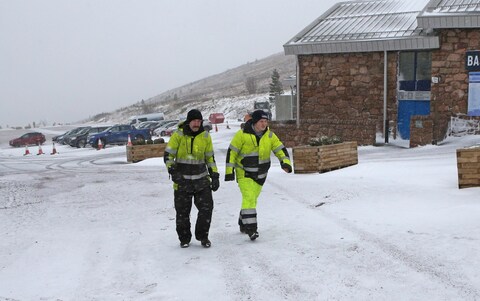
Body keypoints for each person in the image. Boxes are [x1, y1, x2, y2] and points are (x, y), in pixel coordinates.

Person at [225, 109, 292, 240]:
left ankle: (242, 222)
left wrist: (286, 163)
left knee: (251, 200)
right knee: (249, 198)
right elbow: (231, 153)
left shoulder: (270, 136)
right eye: (261, 121)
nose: (264, 124)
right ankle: (251, 229)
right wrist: (229, 172)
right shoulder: (242, 135)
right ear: (255, 122)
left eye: (266, 121)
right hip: (244, 173)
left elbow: (280, 149)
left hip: (261, 175)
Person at [164, 109, 220, 248]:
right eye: (194, 121)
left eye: (199, 121)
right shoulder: (178, 136)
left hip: (202, 181)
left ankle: (203, 236)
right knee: (182, 213)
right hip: (182, 182)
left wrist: (215, 175)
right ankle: (184, 238)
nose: (197, 124)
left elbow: (210, 158)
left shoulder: (205, 136)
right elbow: (168, 156)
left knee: (207, 209)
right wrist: (173, 172)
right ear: (189, 122)